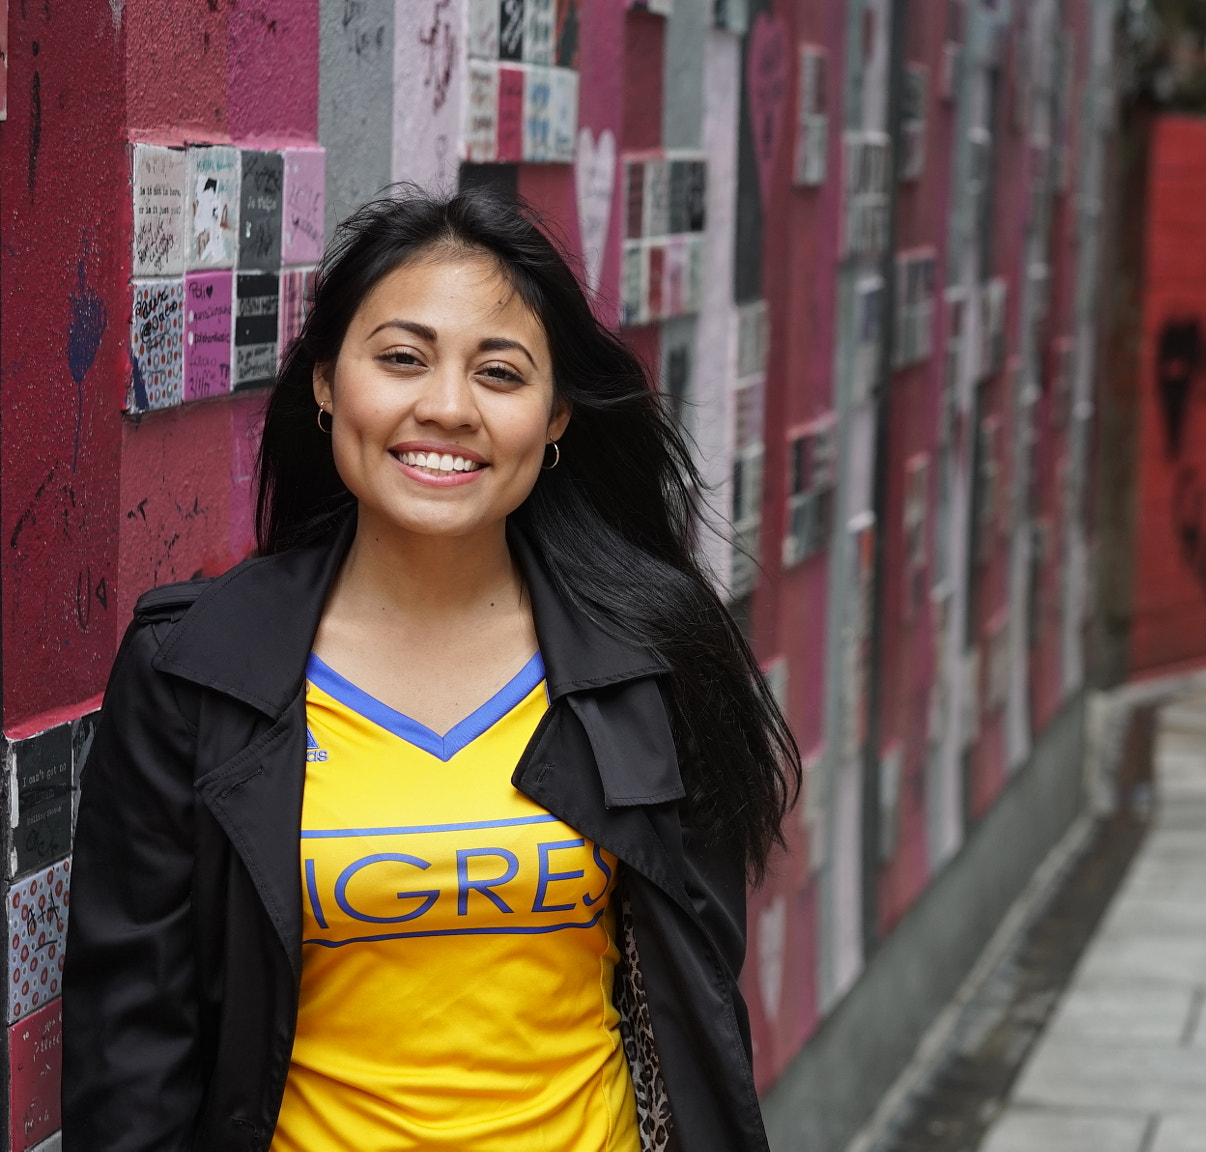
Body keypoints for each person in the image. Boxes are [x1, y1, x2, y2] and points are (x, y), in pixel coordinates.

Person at [61, 187, 799, 1151]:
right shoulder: (194, 673)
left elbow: (699, 1015)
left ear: (557, 415)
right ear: (327, 382)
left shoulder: (648, 666)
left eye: (500, 373)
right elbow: (131, 1061)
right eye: (402, 359)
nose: (447, 409)